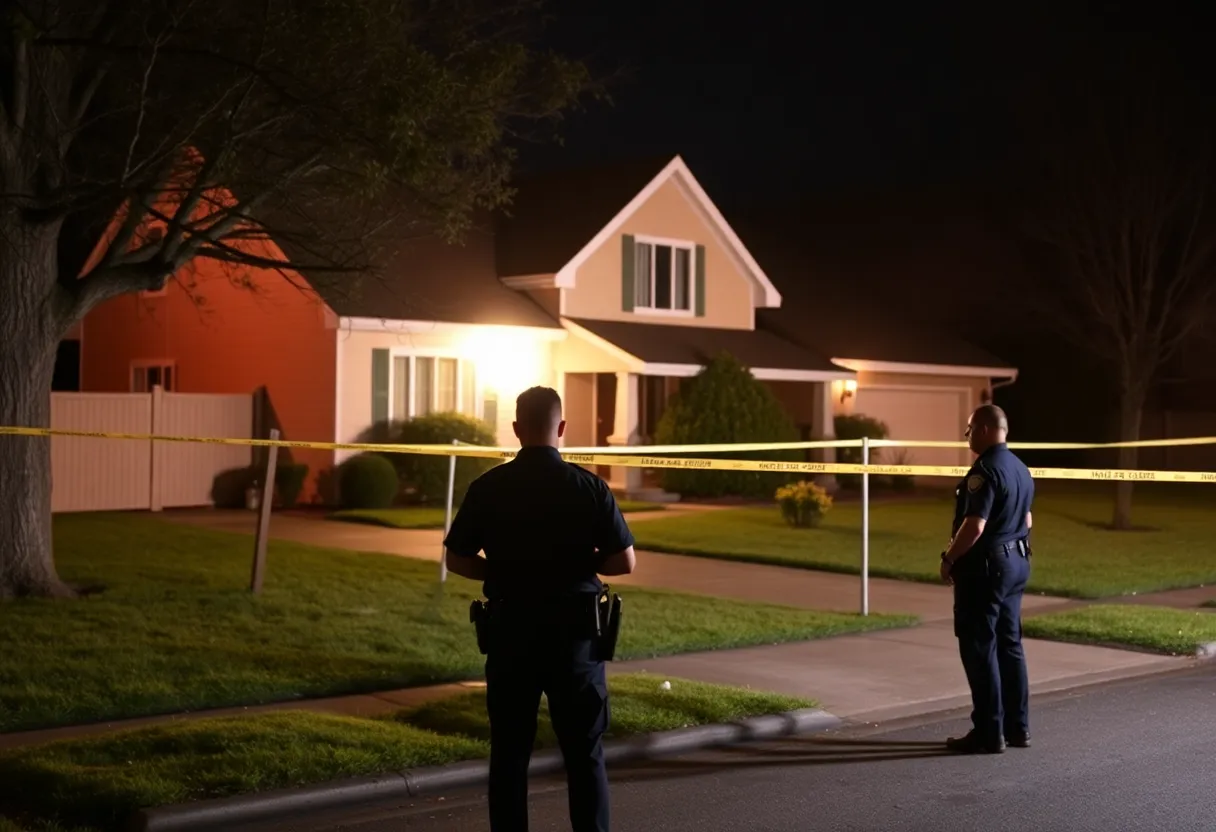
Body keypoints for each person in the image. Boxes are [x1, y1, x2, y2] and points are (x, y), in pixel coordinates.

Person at [443, 385, 637, 832]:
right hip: (575, 638)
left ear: (515, 429)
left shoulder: (488, 487)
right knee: (584, 754)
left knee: (509, 755)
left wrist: (502, 573)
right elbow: (624, 561)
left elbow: (456, 557)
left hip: (512, 634)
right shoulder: (589, 486)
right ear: (562, 428)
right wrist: (581, 564)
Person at [939, 403, 1035, 755]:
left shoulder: (984, 471)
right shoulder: (1021, 469)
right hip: (1016, 564)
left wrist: (950, 558)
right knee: (1010, 645)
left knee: (980, 648)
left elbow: (975, 525)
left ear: (981, 429)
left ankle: (988, 732)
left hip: (986, 569)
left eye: (968, 429)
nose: (966, 436)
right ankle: (1018, 728)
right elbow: (1026, 521)